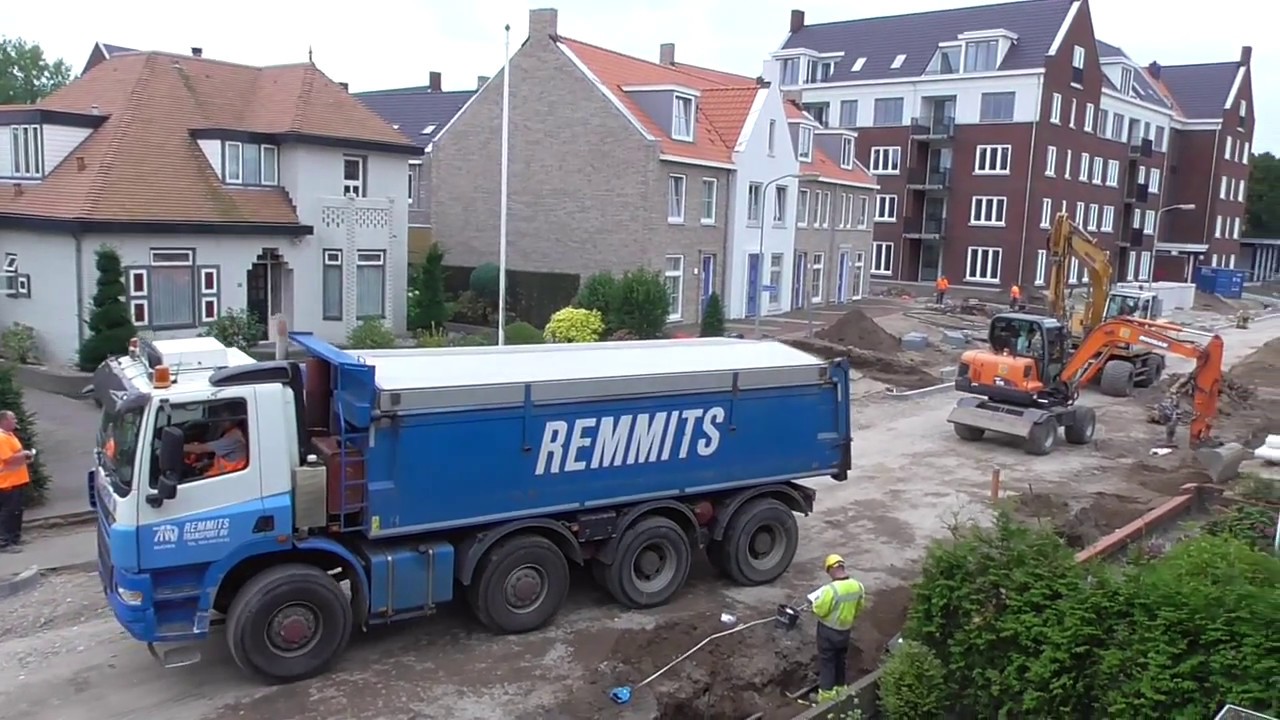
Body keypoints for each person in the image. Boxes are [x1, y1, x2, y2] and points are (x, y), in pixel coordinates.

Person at [808, 554, 866, 703]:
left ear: (831, 569)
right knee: (841, 659)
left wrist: (814, 604)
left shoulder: (831, 590)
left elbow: (820, 610)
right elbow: (859, 608)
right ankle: (841, 689)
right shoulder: (858, 586)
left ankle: (826, 697)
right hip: (845, 631)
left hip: (828, 632)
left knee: (827, 662)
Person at [0, 410, 35, 554]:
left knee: (16, 510)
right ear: (4, 421)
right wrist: (25, 454)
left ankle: (15, 537)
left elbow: (15, 456)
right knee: (8, 512)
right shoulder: (1, 438)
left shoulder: (10, 435)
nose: (15, 421)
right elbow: (8, 458)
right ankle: (4, 541)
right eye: (12, 419)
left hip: (16, 480)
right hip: (7, 482)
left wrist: (24, 458)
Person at [182, 407, 248, 478]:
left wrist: (178, 446)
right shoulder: (231, 432)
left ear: (233, 420)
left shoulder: (233, 438)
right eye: (220, 419)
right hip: (221, 474)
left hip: (227, 477)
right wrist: (207, 463)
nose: (220, 423)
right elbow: (227, 458)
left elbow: (200, 449)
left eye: (224, 420)